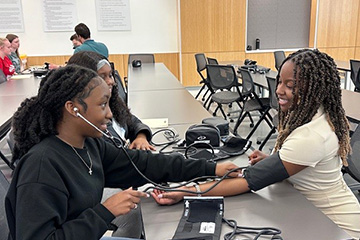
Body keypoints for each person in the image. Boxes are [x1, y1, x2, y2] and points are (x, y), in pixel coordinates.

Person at [5, 65, 240, 240]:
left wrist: (211, 168)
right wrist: (105, 212)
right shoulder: (42, 166)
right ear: (72, 109)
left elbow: (145, 164)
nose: (109, 114)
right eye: (102, 105)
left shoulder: (88, 145)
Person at [151, 49, 360, 238]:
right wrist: (275, 161)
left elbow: (248, 181)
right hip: (310, 210)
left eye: (290, 86)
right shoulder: (310, 116)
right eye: (279, 82)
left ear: (316, 90)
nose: (279, 90)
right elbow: (303, 164)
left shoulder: (313, 136)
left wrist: (186, 191)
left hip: (338, 226)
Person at [67, 51, 154, 150]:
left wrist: (141, 137)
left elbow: (132, 121)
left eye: (110, 75)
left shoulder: (113, 103)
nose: (110, 81)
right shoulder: (88, 120)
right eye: (102, 77)